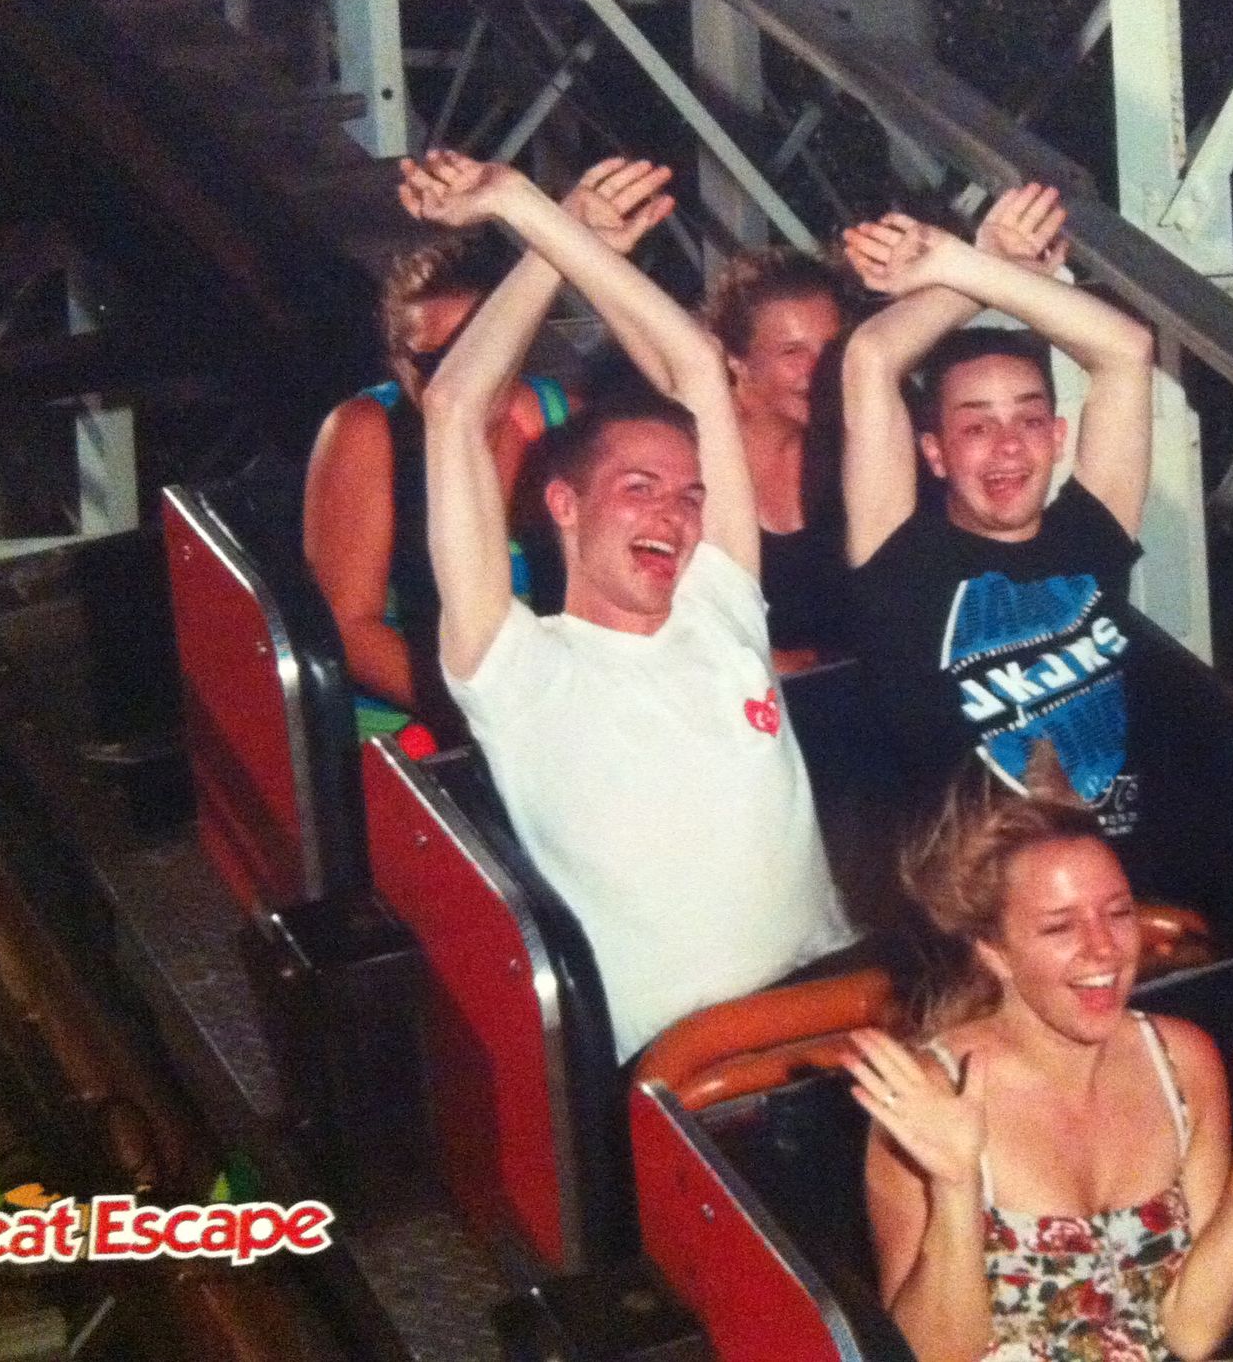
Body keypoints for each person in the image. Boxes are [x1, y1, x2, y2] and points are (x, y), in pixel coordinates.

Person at [397, 150, 857, 1063]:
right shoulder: (518, 664)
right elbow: (454, 406)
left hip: (842, 1008)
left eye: (689, 496)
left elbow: (695, 368)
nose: (674, 516)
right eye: (639, 489)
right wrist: (527, 212)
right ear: (564, 507)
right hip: (697, 1073)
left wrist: (554, 221)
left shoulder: (719, 604)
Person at [845, 754, 1233, 1362]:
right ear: (994, 952)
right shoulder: (930, 1095)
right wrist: (956, 1186)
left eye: (1118, 913)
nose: (1103, 948)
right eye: (1059, 927)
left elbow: (1195, 1332)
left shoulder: (1182, 1061)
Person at [303, 158, 674, 739]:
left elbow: (690, 384)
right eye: (434, 361)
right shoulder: (367, 432)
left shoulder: (564, 422)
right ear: (399, 362)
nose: (459, 376)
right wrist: (500, 720)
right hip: (413, 724)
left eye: (479, 351)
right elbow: (350, 628)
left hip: (547, 710)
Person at [839, 187, 1157, 839]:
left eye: (1029, 420)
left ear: (1058, 437)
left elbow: (1127, 350)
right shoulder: (904, 567)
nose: (1009, 446)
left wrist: (974, 265)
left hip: (1116, 866)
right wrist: (981, 260)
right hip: (980, 883)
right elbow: (872, 358)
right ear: (935, 453)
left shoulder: (1091, 534)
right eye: (977, 427)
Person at [704, 247, 857, 657]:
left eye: (831, 348)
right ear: (736, 361)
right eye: (793, 352)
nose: (821, 371)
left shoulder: (856, 447)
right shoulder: (688, 459)